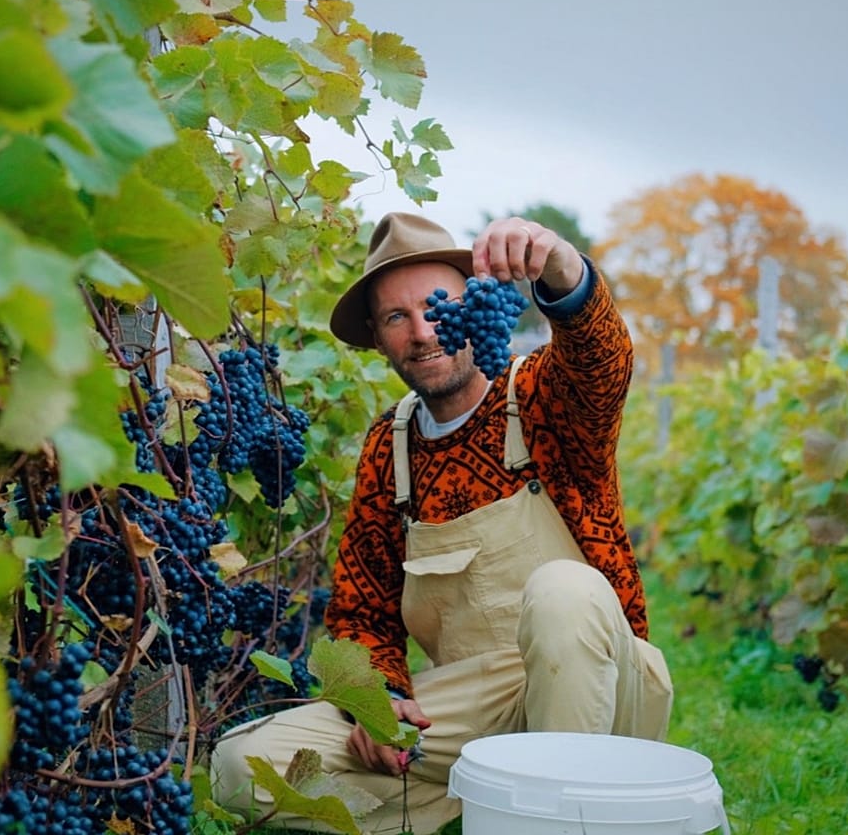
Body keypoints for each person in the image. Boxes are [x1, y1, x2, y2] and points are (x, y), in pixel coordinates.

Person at [211, 212, 673, 834]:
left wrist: (559, 261)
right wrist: (376, 705)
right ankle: (472, 813)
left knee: (566, 590)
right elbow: (361, 611)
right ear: (377, 338)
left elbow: (602, 359)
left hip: (605, 692)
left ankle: (557, 814)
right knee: (241, 765)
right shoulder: (389, 447)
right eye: (397, 318)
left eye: (436, 306)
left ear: (469, 307)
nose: (423, 332)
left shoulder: (539, 396)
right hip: (474, 707)